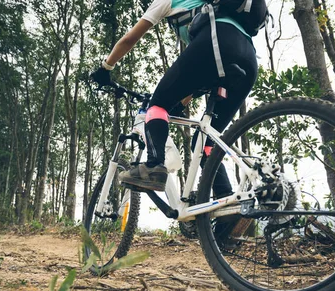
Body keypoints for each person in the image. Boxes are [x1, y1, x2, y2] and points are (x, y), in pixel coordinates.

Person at [91, 0, 258, 196]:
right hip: (248, 59)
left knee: (157, 106)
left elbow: (129, 39)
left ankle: (154, 167)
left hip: (217, 41)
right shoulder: (211, 6)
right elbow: (196, 75)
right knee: (205, 140)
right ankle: (225, 207)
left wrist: (106, 68)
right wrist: (181, 102)